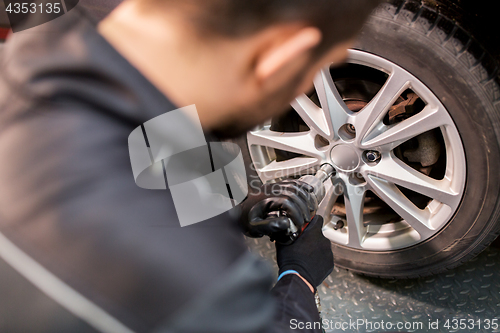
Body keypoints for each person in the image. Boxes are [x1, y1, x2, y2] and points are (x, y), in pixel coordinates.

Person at [0, 0, 382, 332]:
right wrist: (299, 278)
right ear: (281, 56)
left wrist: (238, 201)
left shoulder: (39, 36)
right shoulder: (201, 288)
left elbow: (133, 118)